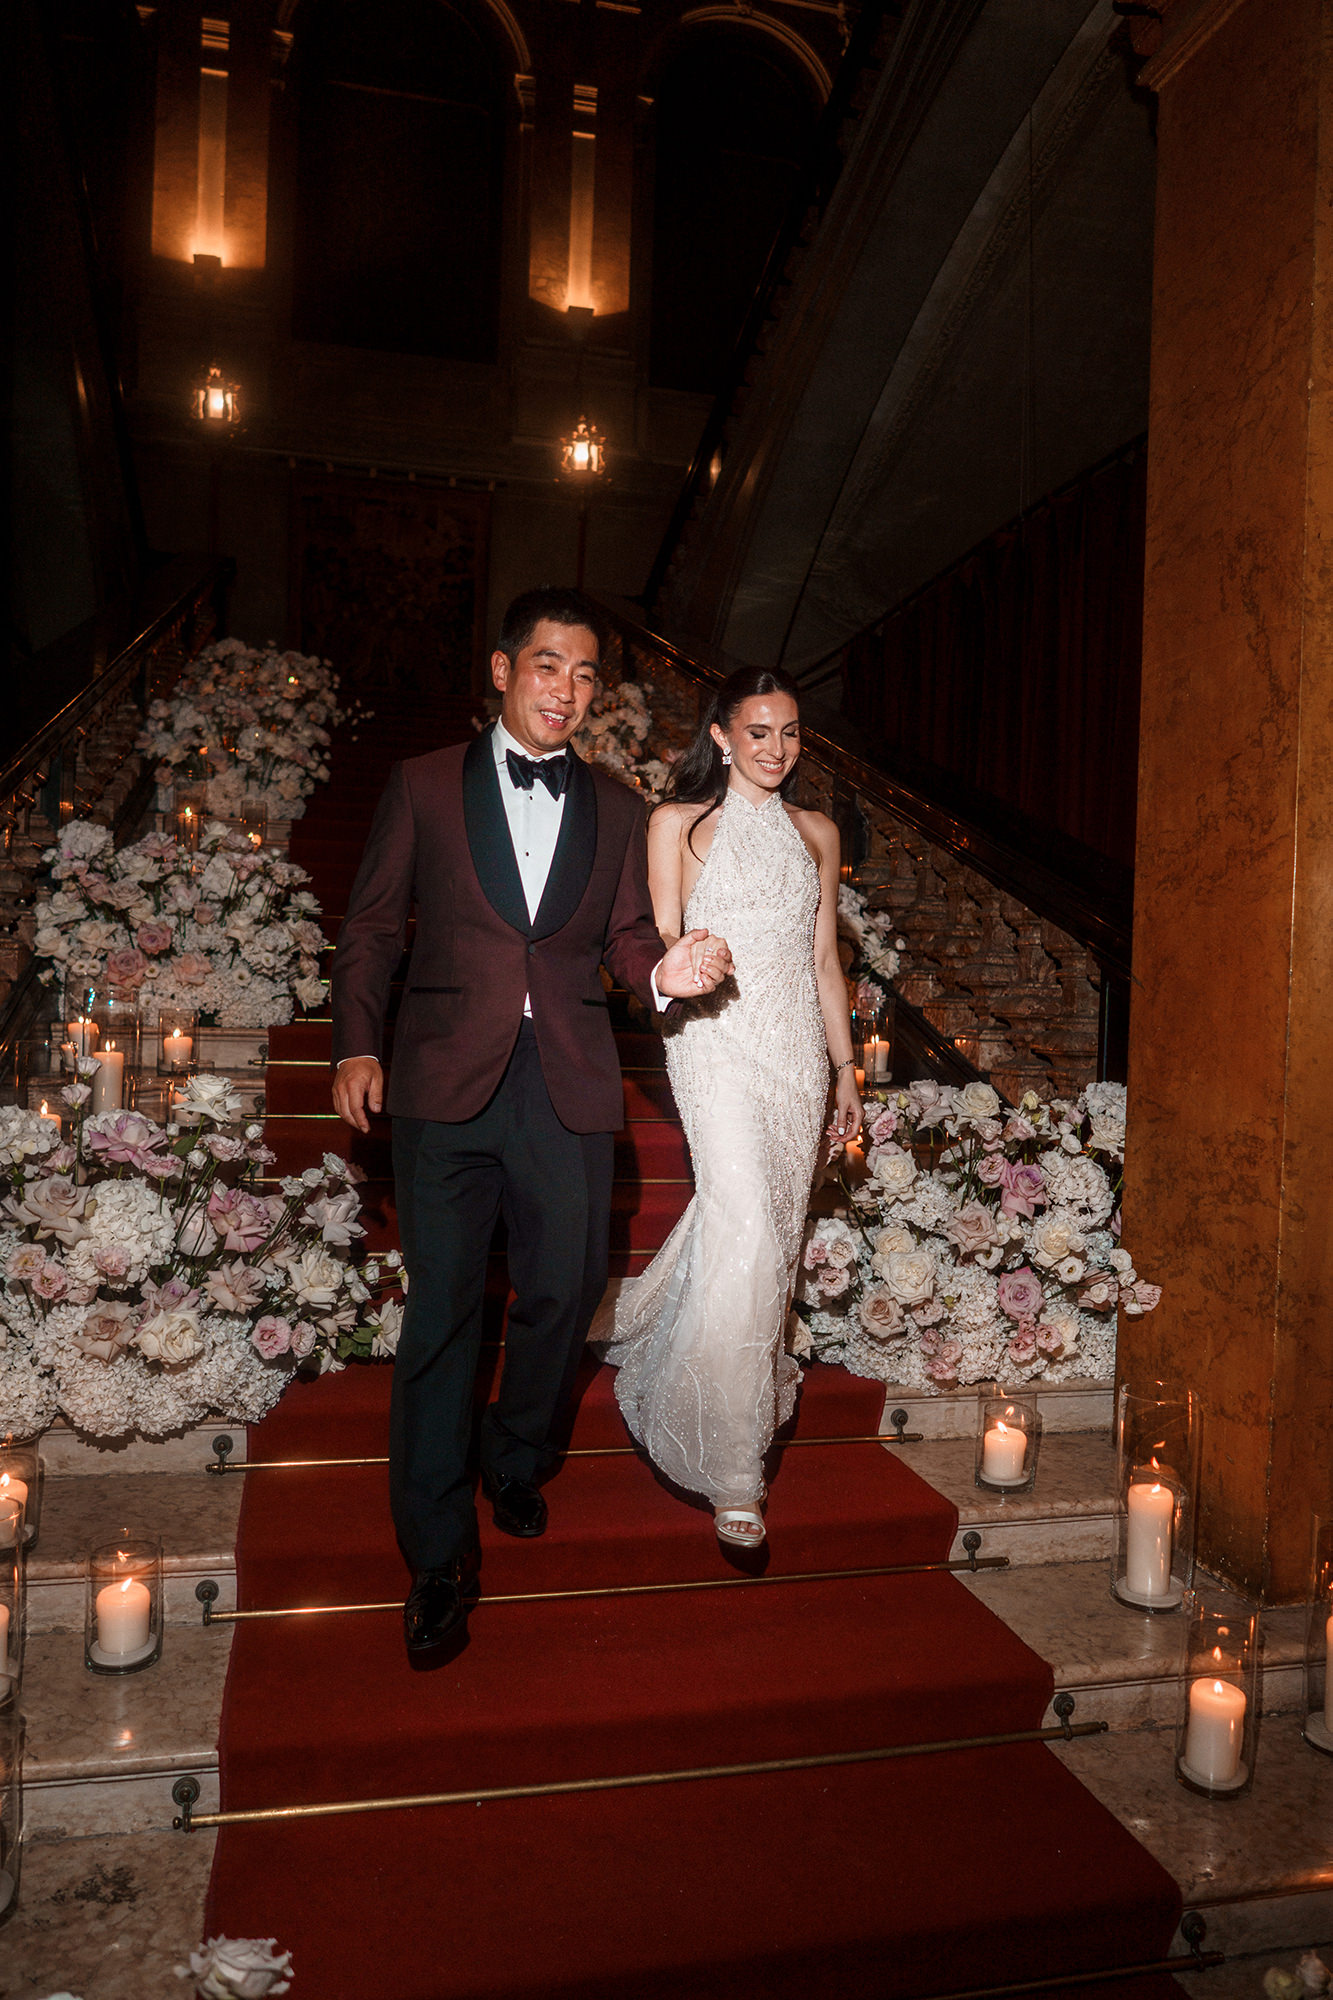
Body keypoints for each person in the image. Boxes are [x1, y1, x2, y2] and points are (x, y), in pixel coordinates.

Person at [332, 588, 733, 1663]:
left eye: (586, 673)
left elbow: (625, 938)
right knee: (444, 1314)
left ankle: (513, 1455)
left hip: (565, 1082)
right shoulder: (421, 785)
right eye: (548, 666)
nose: (567, 689)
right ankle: (434, 1553)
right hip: (441, 1087)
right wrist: (355, 1043)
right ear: (505, 670)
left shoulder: (613, 805)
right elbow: (371, 925)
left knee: (561, 1295)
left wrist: (671, 968)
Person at [595, 665, 862, 1548]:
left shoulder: (817, 831)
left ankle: (679, 1345)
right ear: (720, 735)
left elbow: (824, 962)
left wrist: (847, 1072)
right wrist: (689, 963)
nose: (775, 749)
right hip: (711, 1041)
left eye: (788, 733)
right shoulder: (674, 822)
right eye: (757, 731)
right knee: (745, 1214)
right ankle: (734, 1473)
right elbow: (663, 937)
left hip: (794, 1052)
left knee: (766, 1230)